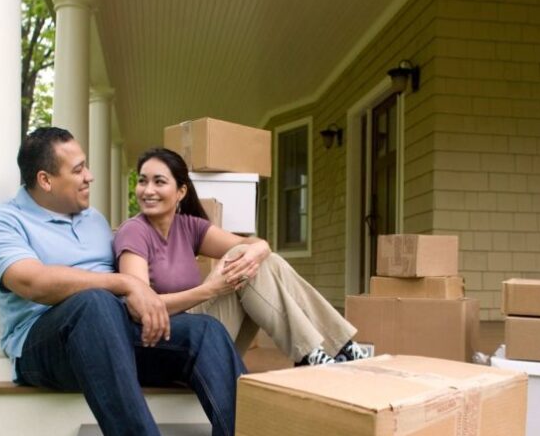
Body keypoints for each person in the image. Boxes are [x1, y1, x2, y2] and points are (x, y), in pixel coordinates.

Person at [0, 128, 246, 436]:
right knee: (95, 303)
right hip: (45, 344)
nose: (89, 177)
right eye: (79, 169)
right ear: (45, 180)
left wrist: (145, 297)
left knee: (204, 331)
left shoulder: (94, 220)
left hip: (113, 333)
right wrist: (126, 286)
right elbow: (34, 282)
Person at [113, 146, 370, 367]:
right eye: (142, 181)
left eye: (159, 181)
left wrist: (261, 248)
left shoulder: (188, 226)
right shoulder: (134, 232)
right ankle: (318, 351)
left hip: (204, 335)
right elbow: (140, 309)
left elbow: (253, 246)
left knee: (260, 259)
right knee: (243, 258)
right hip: (167, 344)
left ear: (181, 192)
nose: (147, 190)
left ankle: (337, 348)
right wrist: (210, 290)